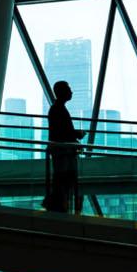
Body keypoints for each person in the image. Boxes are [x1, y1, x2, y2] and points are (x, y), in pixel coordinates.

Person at [42, 81, 84, 213]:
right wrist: (77, 135)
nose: (71, 91)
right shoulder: (58, 109)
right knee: (62, 179)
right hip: (62, 152)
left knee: (62, 180)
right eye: (68, 89)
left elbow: (61, 131)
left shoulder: (57, 108)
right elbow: (62, 132)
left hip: (61, 151)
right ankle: (58, 206)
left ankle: (59, 205)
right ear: (61, 92)